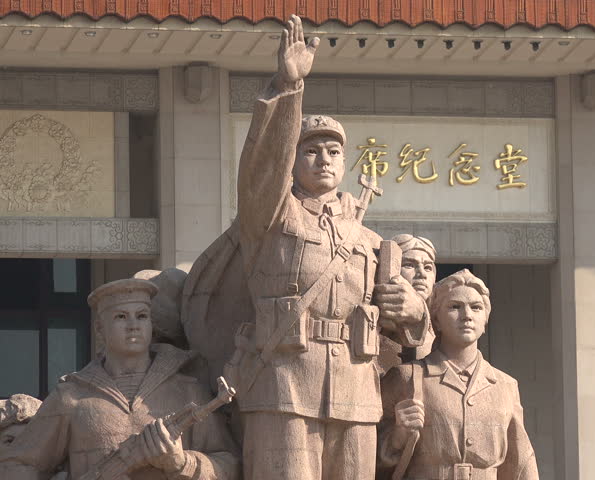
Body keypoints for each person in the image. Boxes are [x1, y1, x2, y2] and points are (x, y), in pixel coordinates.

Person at [230, 14, 428, 480]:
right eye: (310, 150)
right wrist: (287, 89)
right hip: (284, 386)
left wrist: (413, 308)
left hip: (356, 390)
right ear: (293, 160)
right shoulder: (272, 217)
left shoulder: (370, 241)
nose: (323, 159)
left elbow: (411, 332)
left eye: (334, 152)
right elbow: (261, 169)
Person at [0, 278, 240, 480]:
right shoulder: (71, 397)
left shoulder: (189, 392)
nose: (134, 325)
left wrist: (181, 462)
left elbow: (230, 465)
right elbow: (18, 464)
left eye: (142, 316)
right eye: (121, 317)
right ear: (99, 329)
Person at [377, 270, 539, 480]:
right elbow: (364, 459)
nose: (467, 316)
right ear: (436, 317)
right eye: (455, 307)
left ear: (485, 318)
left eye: (476, 307)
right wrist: (398, 436)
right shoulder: (406, 377)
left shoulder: (505, 385)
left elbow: (521, 463)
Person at [377, 234, 438, 373]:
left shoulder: (441, 322)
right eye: (409, 265)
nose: (422, 274)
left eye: (428, 267)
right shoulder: (378, 323)